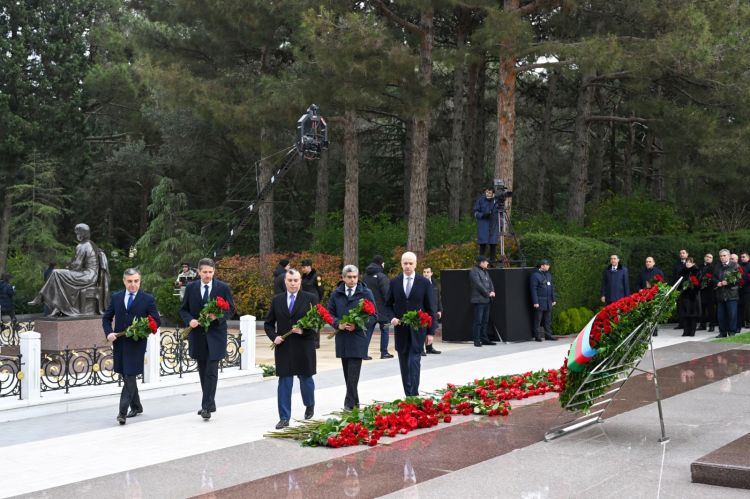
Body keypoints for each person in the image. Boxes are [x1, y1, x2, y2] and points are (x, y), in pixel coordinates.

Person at [102, 268, 161, 425]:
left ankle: (122, 413)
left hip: (137, 344)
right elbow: (106, 318)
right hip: (120, 344)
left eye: (136, 281)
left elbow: (156, 321)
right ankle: (137, 406)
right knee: (127, 375)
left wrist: (142, 329)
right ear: (124, 281)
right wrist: (108, 333)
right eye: (130, 281)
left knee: (129, 375)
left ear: (139, 281)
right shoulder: (116, 297)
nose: (133, 284)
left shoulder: (147, 299)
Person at [180, 258, 236, 420]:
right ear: (199, 272)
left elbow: (230, 309)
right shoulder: (190, 288)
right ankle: (210, 402)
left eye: (210, 272)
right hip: (197, 336)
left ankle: (206, 407)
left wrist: (216, 317)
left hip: (216, 335)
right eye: (205, 272)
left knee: (211, 371)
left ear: (214, 272)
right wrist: (189, 320)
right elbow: (184, 310)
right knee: (203, 370)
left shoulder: (223, 287)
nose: (208, 275)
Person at [264, 269, 319, 429]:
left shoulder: (310, 298)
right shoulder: (277, 300)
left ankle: (309, 404)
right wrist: (274, 336)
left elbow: (317, 323)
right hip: (284, 347)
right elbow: (268, 323)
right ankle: (284, 417)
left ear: (300, 281)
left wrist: (304, 330)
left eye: (296, 280)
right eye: (290, 280)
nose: (293, 283)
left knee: (306, 379)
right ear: (285, 282)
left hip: (304, 346)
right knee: (284, 382)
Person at [384, 251, 436, 397]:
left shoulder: (424, 283)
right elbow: (387, 305)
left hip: (418, 330)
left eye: (410, 263)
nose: (407, 266)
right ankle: (408, 395)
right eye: (405, 263)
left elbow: (431, 308)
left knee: (414, 362)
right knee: (404, 364)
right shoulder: (394, 282)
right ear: (401, 264)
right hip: (401, 330)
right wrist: (392, 317)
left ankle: (414, 394)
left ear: (415, 264)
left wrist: (431, 332)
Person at [327, 265, 376, 410]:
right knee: (348, 374)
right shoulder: (336, 293)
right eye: (349, 277)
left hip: (358, 338)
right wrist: (338, 324)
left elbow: (374, 316)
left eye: (355, 277)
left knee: (353, 373)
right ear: (343, 278)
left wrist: (358, 324)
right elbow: (329, 314)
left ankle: (348, 405)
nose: (352, 280)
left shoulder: (366, 292)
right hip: (342, 338)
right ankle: (355, 404)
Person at [28, 223, 103, 316]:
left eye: (77, 233)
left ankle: (43, 297)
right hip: (91, 276)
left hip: (87, 276)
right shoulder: (91, 244)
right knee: (58, 276)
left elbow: (77, 265)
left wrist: (68, 267)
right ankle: (57, 307)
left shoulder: (82, 245)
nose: (77, 235)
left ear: (82, 233)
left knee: (56, 273)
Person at [363, 255, 393, 359]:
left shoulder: (365, 276)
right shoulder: (382, 276)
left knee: (369, 330)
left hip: (370, 309)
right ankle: (384, 352)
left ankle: (363, 353)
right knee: (385, 330)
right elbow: (387, 293)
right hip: (383, 309)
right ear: (381, 263)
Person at [469, 255, 496, 347]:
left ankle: (484, 339)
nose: (488, 263)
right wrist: (488, 293)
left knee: (485, 321)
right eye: (486, 261)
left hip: (487, 300)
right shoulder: (474, 271)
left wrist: (492, 291)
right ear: (481, 262)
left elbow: (490, 282)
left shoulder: (485, 272)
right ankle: (476, 340)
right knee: (478, 321)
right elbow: (478, 285)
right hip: (479, 300)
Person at [713, 249, 740, 338]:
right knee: (721, 316)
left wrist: (728, 282)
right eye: (721, 256)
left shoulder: (735, 265)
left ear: (728, 256)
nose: (722, 257)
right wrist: (717, 282)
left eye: (724, 255)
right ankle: (722, 332)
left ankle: (732, 332)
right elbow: (714, 277)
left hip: (731, 294)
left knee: (732, 315)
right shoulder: (717, 266)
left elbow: (739, 279)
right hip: (720, 294)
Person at [529, 259, 557, 342]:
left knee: (547, 320)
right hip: (540, 301)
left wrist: (553, 299)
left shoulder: (548, 275)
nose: (548, 266)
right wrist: (535, 302)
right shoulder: (535, 275)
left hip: (548, 301)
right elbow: (533, 289)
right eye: (547, 265)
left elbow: (551, 287)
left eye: (548, 265)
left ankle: (548, 335)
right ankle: (537, 336)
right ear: (542, 266)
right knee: (538, 319)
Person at [300, 258, 324, 348]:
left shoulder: (316, 276)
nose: (303, 269)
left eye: (304, 267)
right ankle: (307, 339)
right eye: (302, 267)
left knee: (315, 321)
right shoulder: (304, 276)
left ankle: (316, 342)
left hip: (314, 301)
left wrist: (317, 300)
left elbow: (321, 290)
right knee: (306, 320)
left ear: (309, 267)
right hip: (305, 300)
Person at [472, 188, 500, 265]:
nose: (488, 194)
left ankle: (492, 263)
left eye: (490, 192)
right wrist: (482, 215)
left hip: (493, 225)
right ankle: (481, 263)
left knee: (493, 244)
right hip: (483, 225)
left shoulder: (496, 201)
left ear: (493, 194)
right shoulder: (480, 200)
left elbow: (500, 212)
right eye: (487, 192)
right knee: (483, 244)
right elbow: (475, 212)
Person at [677, 258, 701, 337]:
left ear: (693, 263)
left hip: (692, 296)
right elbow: (678, 282)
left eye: (690, 262)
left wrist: (692, 289)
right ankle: (685, 331)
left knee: (692, 314)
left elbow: (698, 283)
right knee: (684, 313)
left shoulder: (696, 271)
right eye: (687, 262)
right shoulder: (683, 271)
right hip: (684, 295)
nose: (687, 263)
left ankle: (692, 331)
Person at [421, 266, 442, 355]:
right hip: (423, 310)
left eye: (428, 272)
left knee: (431, 328)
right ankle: (421, 349)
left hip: (433, 310)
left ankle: (429, 348)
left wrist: (439, 310)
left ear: (431, 273)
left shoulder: (435, 283)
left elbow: (438, 298)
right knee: (422, 330)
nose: (426, 274)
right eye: (424, 272)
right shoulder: (419, 283)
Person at [698, 253, 717, 332]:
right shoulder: (700, 266)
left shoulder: (714, 267)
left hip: (710, 291)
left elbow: (715, 278)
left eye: (710, 257)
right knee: (701, 309)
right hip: (701, 291)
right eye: (707, 257)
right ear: (704, 257)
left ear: (712, 259)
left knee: (710, 310)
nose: (708, 258)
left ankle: (712, 325)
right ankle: (702, 325)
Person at [672, 249, 689, 329]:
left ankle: (688, 323)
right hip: (679, 288)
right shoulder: (676, 265)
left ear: (687, 254)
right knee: (680, 306)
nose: (682, 254)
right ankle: (681, 323)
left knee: (688, 306)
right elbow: (675, 276)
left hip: (688, 289)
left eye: (683, 253)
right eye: (680, 253)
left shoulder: (690, 263)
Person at [739, 252, 750, 330]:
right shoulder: (739, 266)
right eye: (741, 257)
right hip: (739, 289)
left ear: (748, 258)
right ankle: (741, 321)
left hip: (748, 289)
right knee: (740, 306)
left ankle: (748, 321)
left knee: (747, 306)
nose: (742, 258)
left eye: (744, 257)